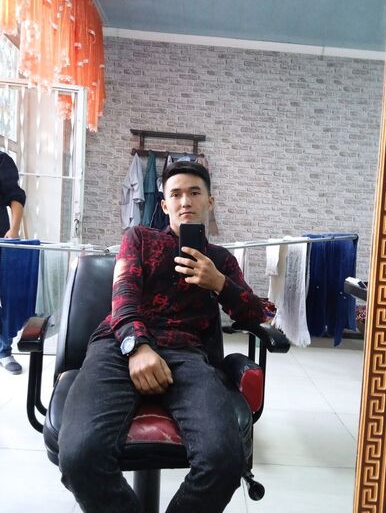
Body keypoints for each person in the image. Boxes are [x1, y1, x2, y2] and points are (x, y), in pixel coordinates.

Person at [58, 161, 266, 513]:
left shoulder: (221, 260)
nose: (185, 201)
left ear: (210, 202)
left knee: (225, 460)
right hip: (118, 346)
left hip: (187, 356)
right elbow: (123, 294)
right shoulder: (139, 238)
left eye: (194, 192)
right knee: (80, 456)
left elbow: (256, 315)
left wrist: (219, 283)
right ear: (165, 204)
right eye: (176, 194)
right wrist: (137, 347)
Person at [0, 151, 26, 375]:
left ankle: (4, 350)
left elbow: (15, 195)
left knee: (6, 298)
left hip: (1, 240)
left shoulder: (1, 160)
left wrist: (14, 229)